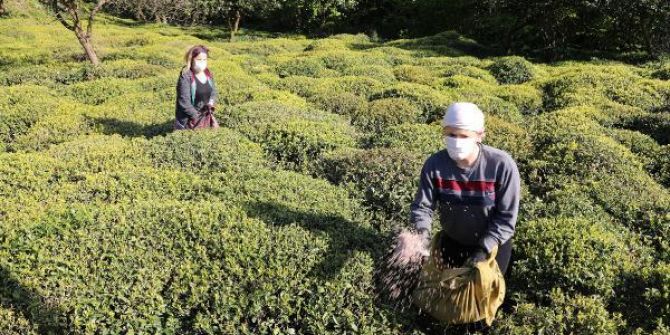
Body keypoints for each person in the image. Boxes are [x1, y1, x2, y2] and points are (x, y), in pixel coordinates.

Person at [410, 102, 520, 331]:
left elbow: (506, 217)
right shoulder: (434, 165)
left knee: (482, 306)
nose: (456, 140)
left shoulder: (502, 165)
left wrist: (483, 249)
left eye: (463, 135)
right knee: (447, 300)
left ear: (480, 136)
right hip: (454, 240)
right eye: (451, 134)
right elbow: (423, 206)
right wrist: (421, 233)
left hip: (493, 247)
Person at [174, 45, 219, 130]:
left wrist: (211, 104)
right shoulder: (186, 76)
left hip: (205, 116)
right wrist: (197, 117)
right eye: (199, 59)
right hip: (188, 122)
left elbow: (213, 92)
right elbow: (184, 102)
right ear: (191, 60)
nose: (202, 62)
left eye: (204, 59)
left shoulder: (208, 73)